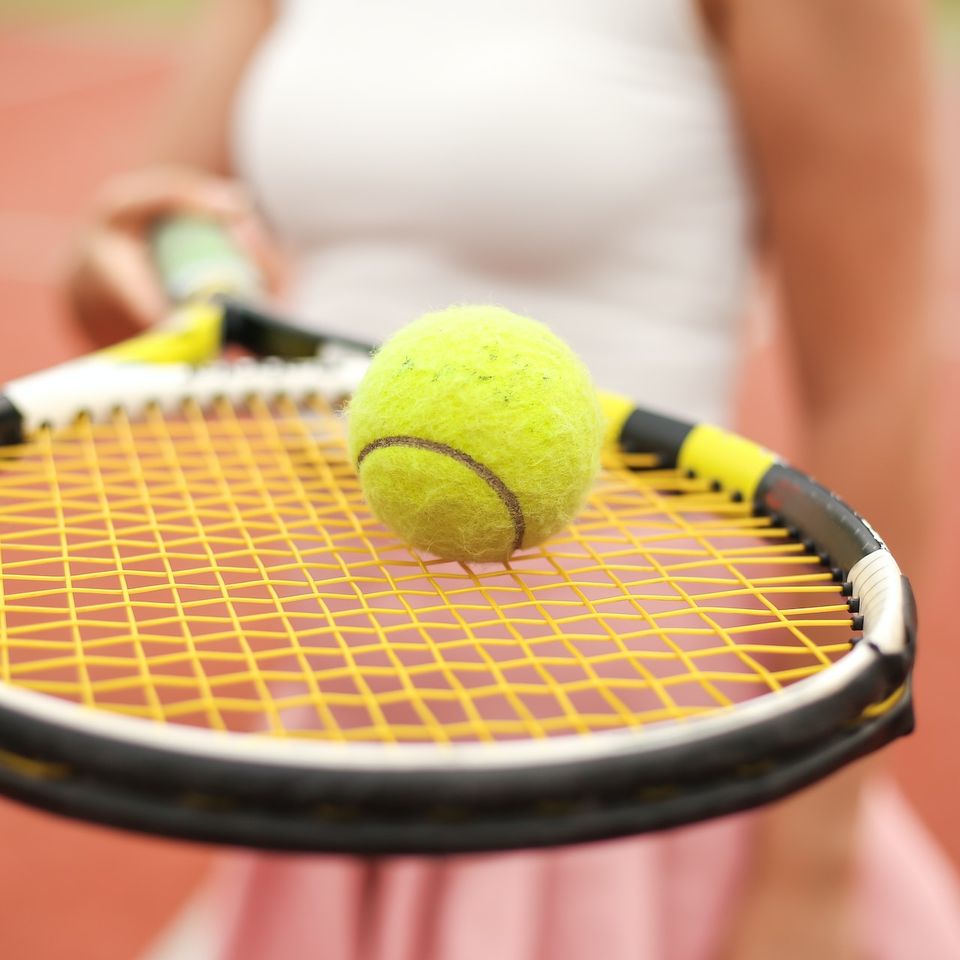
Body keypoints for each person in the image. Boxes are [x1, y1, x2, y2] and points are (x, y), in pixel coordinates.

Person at [66, 1, 960, 958]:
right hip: (335, 710)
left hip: (621, 746)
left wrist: (808, 877)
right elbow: (139, 244)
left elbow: (876, 390)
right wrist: (123, 259)